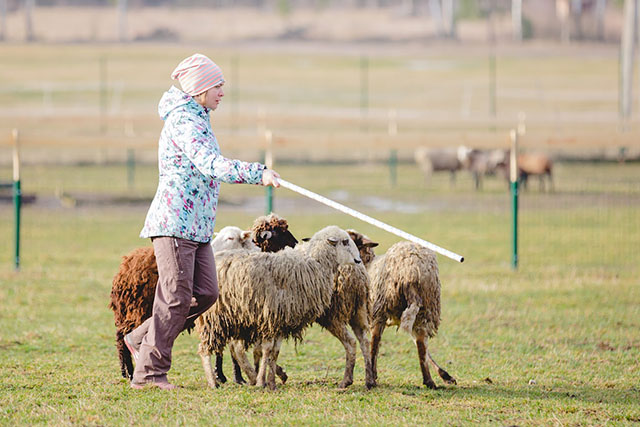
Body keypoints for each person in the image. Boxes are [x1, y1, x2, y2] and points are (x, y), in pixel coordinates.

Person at [124, 53, 280, 390]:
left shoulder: (199, 116)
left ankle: (141, 338)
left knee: (207, 294)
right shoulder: (186, 121)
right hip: (176, 222)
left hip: (196, 225)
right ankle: (150, 373)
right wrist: (258, 172)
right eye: (217, 85)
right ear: (201, 88)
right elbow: (211, 164)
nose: (223, 91)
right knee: (175, 297)